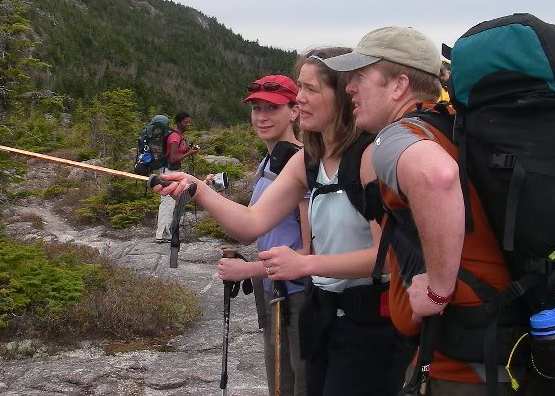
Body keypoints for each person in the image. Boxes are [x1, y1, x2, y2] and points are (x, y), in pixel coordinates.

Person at [323, 26, 555, 395]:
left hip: (463, 366)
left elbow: (436, 176)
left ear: (399, 85)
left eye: (359, 77)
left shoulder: (398, 137)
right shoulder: (461, 128)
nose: (349, 88)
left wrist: (437, 290)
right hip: (517, 350)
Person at [155, 48, 411, 396]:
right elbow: (250, 223)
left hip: (369, 324)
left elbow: (387, 257)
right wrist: (196, 189)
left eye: (309, 90)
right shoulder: (309, 160)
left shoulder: (368, 158)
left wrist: (306, 263)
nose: (299, 99)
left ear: (341, 94)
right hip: (322, 316)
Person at [215, 74, 309, 396]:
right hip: (274, 291)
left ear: (295, 111)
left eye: (272, 108)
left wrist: (248, 269)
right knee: (279, 384)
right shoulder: (270, 161)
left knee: (298, 385)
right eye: (256, 108)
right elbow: (251, 228)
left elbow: (309, 254)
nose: (261, 116)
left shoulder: (299, 164)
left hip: (298, 297)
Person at [155, 112, 200, 242]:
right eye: (186, 122)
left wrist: (188, 150)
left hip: (171, 171)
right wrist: (190, 152)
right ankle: (162, 234)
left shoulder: (178, 136)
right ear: (179, 122)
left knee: (169, 202)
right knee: (167, 202)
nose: (188, 124)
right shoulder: (175, 137)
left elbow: (177, 154)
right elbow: (173, 158)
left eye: (189, 122)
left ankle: (165, 233)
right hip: (169, 171)